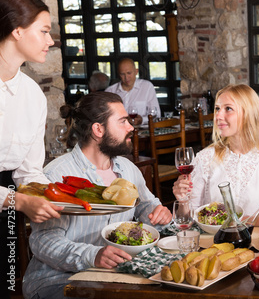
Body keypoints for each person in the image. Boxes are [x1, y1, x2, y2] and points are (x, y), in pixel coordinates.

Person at [22, 92, 172, 299]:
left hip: (113, 275)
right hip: (59, 279)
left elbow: (145, 206)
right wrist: (93, 255)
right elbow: (43, 241)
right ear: (98, 129)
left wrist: (156, 213)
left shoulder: (127, 168)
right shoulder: (55, 175)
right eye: (122, 122)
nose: (131, 127)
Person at [0, 0, 64, 297]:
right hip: (13, 201)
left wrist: (59, 198)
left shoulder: (32, 95)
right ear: (17, 30)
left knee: (8, 285)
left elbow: (29, 172)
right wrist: (21, 202)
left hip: (8, 206)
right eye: (44, 30)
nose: (50, 41)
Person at [173, 84, 259, 223]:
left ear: (249, 114)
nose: (218, 116)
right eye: (217, 109)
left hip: (254, 242)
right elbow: (189, 219)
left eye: (228, 109)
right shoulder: (204, 157)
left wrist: (242, 220)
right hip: (211, 242)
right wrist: (182, 200)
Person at [105, 58, 160, 125]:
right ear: (119, 75)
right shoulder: (110, 91)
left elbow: (157, 115)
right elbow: (105, 118)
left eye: (129, 73)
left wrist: (142, 120)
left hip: (142, 132)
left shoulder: (147, 87)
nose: (126, 77)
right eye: (122, 74)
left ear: (136, 71)